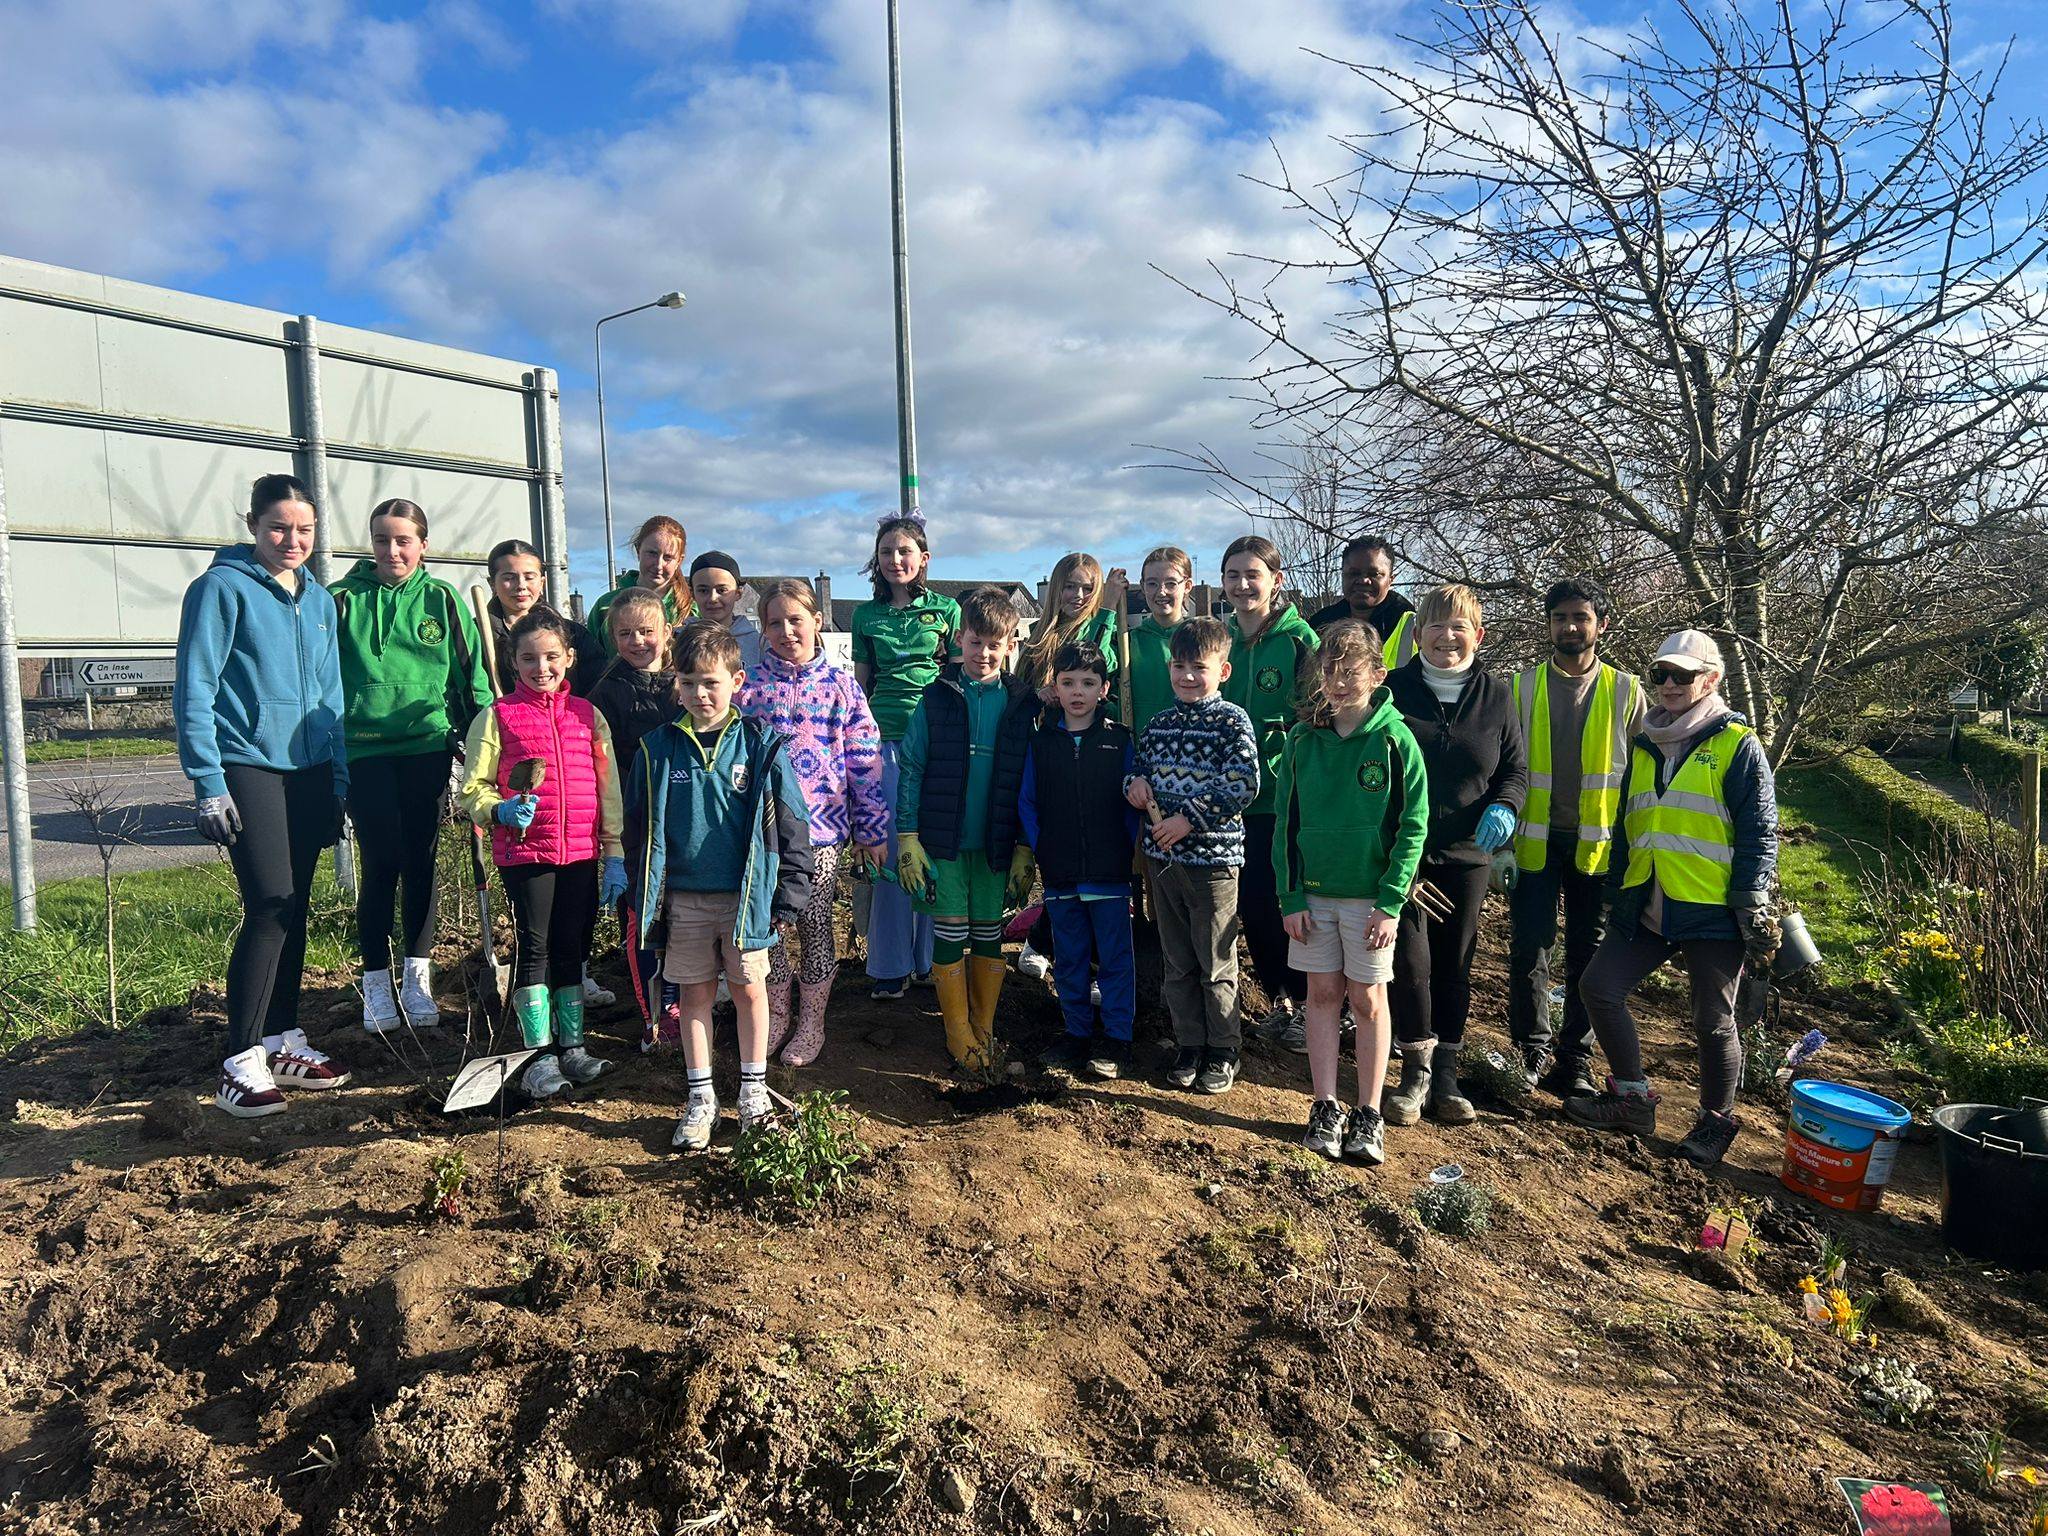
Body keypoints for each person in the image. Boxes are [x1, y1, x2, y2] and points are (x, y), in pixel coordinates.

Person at [1564, 630, 1779, 1169]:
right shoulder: (1645, 743)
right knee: (1599, 987)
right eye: (1660, 674)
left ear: (1712, 679)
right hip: (1647, 898)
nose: (1668, 684)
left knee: (1712, 1020)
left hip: (1712, 907)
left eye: (1683, 675)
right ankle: (1632, 1099)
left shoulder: (1737, 745)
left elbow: (1760, 832)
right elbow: (1627, 825)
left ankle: (1715, 1122)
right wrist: (1618, 889)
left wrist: (1751, 901)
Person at [175, 473, 351, 1117]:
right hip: (247, 765)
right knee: (270, 904)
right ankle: (239, 1060)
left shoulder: (320, 601)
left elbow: (332, 696)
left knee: (295, 906)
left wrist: (338, 779)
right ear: (252, 524)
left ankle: (280, 1040)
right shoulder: (220, 590)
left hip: (309, 770)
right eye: (279, 527)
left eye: (305, 530)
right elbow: (195, 687)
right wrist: (207, 782)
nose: (292, 540)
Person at [625, 622, 815, 1150]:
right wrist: (638, 889)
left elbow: (793, 824)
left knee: (751, 990)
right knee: (694, 996)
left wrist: (789, 893)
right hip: (683, 901)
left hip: (747, 900)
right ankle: (701, 1097)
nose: (700, 694)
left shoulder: (761, 746)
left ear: (737, 681)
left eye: (710, 682)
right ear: (676, 684)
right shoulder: (657, 749)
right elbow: (637, 830)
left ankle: (753, 1092)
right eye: (688, 683)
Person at [332, 499, 492, 1036]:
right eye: (382, 539)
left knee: (420, 859)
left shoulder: (442, 600)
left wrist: (480, 741)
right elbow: (320, 678)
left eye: (404, 540)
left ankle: (416, 977)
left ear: (423, 544)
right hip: (364, 750)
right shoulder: (341, 600)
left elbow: (470, 677)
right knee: (381, 861)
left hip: (426, 747)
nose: (392, 550)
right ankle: (375, 979)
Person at [1275, 621, 1429, 1165]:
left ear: (1377, 675)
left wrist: (1391, 901)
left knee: (1367, 1000)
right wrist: (1291, 896)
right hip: (1315, 897)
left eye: (1351, 671)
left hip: (1371, 902)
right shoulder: (1301, 740)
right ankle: (1324, 1105)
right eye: (1330, 671)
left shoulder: (1396, 739)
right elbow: (1286, 824)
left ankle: (1368, 1112)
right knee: (1321, 996)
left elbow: (1414, 824)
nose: (1339, 682)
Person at [458, 610, 628, 1100]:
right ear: (513, 662)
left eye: (551, 656)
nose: (542, 667)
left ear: (569, 658)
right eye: (529, 658)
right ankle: (538, 1056)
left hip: (580, 852)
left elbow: (608, 787)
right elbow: (473, 787)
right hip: (526, 851)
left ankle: (572, 1046)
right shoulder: (497, 717)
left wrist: (614, 850)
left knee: (572, 948)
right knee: (534, 949)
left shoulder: (587, 716)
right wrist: (500, 809)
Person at [1384, 584, 1528, 1127]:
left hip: (1469, 855)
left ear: (1478, 635)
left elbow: (1515, 769)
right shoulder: (1393, 691)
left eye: (1459, 626)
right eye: (1436, 626)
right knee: (1410, 963)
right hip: (1404, 853)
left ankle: (1447, 1072)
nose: (1447, 636)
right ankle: (1414, 1070)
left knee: (1454, 965)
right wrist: (1393, 850)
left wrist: (1506, 806)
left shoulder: (1497, 697)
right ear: (1418, 634)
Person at [741, 580, 889, 1067]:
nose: (786, 631)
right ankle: (776, 1014)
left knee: (814, 921)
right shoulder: (749, 689)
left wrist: (870, 828)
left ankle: (812, 1021)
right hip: (763, 833)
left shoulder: (842, 687)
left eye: (795, 620)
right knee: (767, 925)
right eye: (775, 623)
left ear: (816, 621)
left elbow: (863, 761)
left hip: (822, 834)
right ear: (763, 629)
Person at [1507, 578, 1646, 1097]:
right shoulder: (1521, 687)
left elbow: (1645, 773)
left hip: (1600, 846)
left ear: (1601, 625)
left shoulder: (1627, 691)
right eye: (1560, 617)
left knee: (1588, 955)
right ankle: (1530, 1051)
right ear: (1549, 624)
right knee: (1530, 947)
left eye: (1580, 617)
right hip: (1535, 841)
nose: (1570, 626)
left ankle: (1575, 1061)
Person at [894, 587, 1038, 1073]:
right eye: (976, 642)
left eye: (995, 645)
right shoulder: (936, 698)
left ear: (1010, 645)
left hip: (997, 842)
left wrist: (1024, 847)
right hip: (945, 842)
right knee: (951, 930)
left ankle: (984, 1025)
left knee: (989, 932)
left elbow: (1030, 779)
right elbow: (912, 766)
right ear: (960, 639)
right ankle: (957, 1030)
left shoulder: (1021, 704)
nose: (984, 654)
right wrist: (908, 835)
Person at [1125, 616, 1261, 1094]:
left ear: (1222, 670)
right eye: (1179, 666)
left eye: (1198, 667)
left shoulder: (1232, 722)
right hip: (1163, 863)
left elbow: (1242, 783)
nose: (1186, 676)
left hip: (1213, 863)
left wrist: (1188, 819)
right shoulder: (1158, 724)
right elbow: (1136, 769)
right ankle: (1189, 1044)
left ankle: (1223, 1048)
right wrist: (1134, 785)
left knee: (1215, 960)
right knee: (1177, 959)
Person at [851, 514, 961, 1000]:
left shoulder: (947, 610)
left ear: (924, 558)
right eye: (886, 552)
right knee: (892, 853)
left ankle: (930, 961)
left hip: (934, 741)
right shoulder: (864, 616)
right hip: (884, 742)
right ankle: (890, 966)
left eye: (904, 551)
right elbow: (861, 686)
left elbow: (956, 680)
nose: (895, 560)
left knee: (932, 850)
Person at [1019, 641, 1140, 1079]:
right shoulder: (1041, 743)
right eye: (1068, 682)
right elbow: (1028, 802)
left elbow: (1131, 805)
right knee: (1069, 957)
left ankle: (1117, 1038)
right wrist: (1045, 848)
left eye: (1088, 683)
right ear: (1055, 687)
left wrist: (1123, 849)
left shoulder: (1119, 740)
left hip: (1109, 873)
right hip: (1061, 872)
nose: (1077, 692)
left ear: (1103, 689)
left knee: (1114, 958)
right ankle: (1075, 1033)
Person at [1219, 534, 1319, 1050]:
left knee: (1286, 902)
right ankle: (1280, 1000)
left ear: (1275, 581)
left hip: (1281, 796)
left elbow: (1318, 713)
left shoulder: (1300, 640)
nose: (1242, 585)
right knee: (1251, 906)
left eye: (1252, 575)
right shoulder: (1220, 641)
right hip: (1227, 798)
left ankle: (1310, 1004)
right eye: (1233, 575)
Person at [585, 589, 682, 1051]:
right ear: (612, 637)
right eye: (625, 633)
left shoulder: (684, 683)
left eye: (646, 631)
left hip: (685, 820)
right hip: (636, 825)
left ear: (667, 631)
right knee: (643, 921)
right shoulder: (605, 694)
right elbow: (600, 768)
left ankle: (684, 1004)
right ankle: (653, 1016)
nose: (637, 641)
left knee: (685, 919)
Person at [485, 538, 600, 696]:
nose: (521, 586)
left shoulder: (572, 634)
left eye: (529, 577)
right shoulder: (477, 635)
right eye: (509, 578)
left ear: (542, 582)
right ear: (492, 583)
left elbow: (597, 686)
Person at [587, 515, 692, 658]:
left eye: (668, 557)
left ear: (679, 560)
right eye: (652, 553)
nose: (658, 565)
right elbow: (590, 661)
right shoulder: (605, 606)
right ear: (638, 551)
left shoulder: (690, 609)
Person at [1309, 536, 1418, 668]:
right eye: (1354, 573)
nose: (1363, 580)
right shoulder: (1319, 624)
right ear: (1342, 575)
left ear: (1390, 580)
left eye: (1374, 574)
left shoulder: (1414, 624)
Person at [1125, 546, 1192, 739]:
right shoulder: (1129, 641)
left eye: (1171, 584)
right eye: (1152, 583)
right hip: (1141, 746)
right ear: (1142, 586)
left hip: (1190, 746)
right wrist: (1109, 606)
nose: (1161, 592)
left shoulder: (1199, 639)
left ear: (1187, 586)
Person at [688, 551, 763, 673]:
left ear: (738, 593)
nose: (713, 598)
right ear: (692, 594)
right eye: (703, 591)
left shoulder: (758, 644)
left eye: (722, 590)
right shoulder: (679, 640)